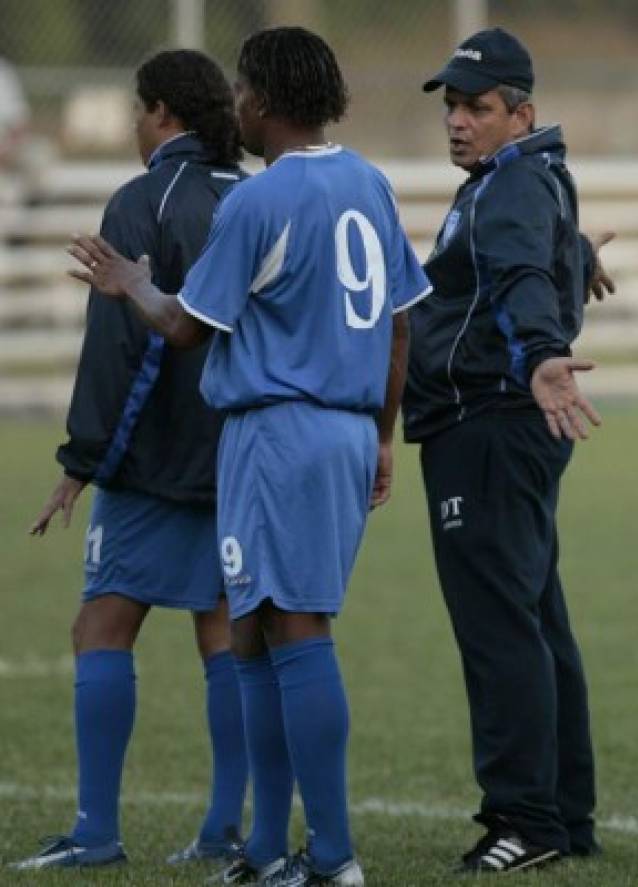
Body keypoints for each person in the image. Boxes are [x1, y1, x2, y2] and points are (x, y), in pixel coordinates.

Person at [62, 26, 430, 887]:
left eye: (242, 93)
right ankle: (267, 847)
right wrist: (379, 432)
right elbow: (401, 321)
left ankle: (332, 856)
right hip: (341, 427)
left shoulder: (260, 203)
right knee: (257, 636)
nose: (236, 107)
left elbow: (188, 325)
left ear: (262, 101)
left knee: (295, 629)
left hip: (279, 432)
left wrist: (131, 284)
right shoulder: (368, 181)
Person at [10, 49, 248, 872]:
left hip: (156, 458)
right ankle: (223, 830)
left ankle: (95, 831)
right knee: (224, 637)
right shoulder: (253, 197)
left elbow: (121, 349)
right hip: (243, 456)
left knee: (101, 625)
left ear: (161, 116)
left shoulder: (144, 200)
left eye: (135, 110)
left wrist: (82, 460)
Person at [407, 26, 612, 874]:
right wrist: (581, 255)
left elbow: (522, 273)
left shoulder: (511, 185)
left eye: (477, 107)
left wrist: (540, 352)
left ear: (519, 111)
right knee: (533, 619)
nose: (457, 121)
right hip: (499, 425)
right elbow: (523, 259)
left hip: (489, 422)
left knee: (500, 630)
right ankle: (563, 811)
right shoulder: (521, 176)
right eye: (451, 104)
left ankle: (524, 818)